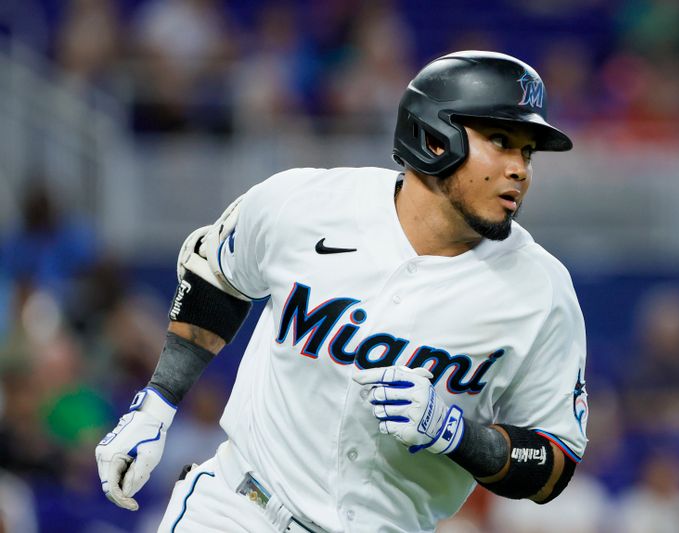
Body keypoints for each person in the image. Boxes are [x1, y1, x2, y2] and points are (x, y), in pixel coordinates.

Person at [95, 50, 589, 532]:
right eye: (500, 140)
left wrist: (457, 434)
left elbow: (553, 463)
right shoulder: (308, 204)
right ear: (436, 138)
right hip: (240, 508)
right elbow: (218, 275)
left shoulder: (541, 292)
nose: (520, 169)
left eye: (527, 151)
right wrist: (156, 405)